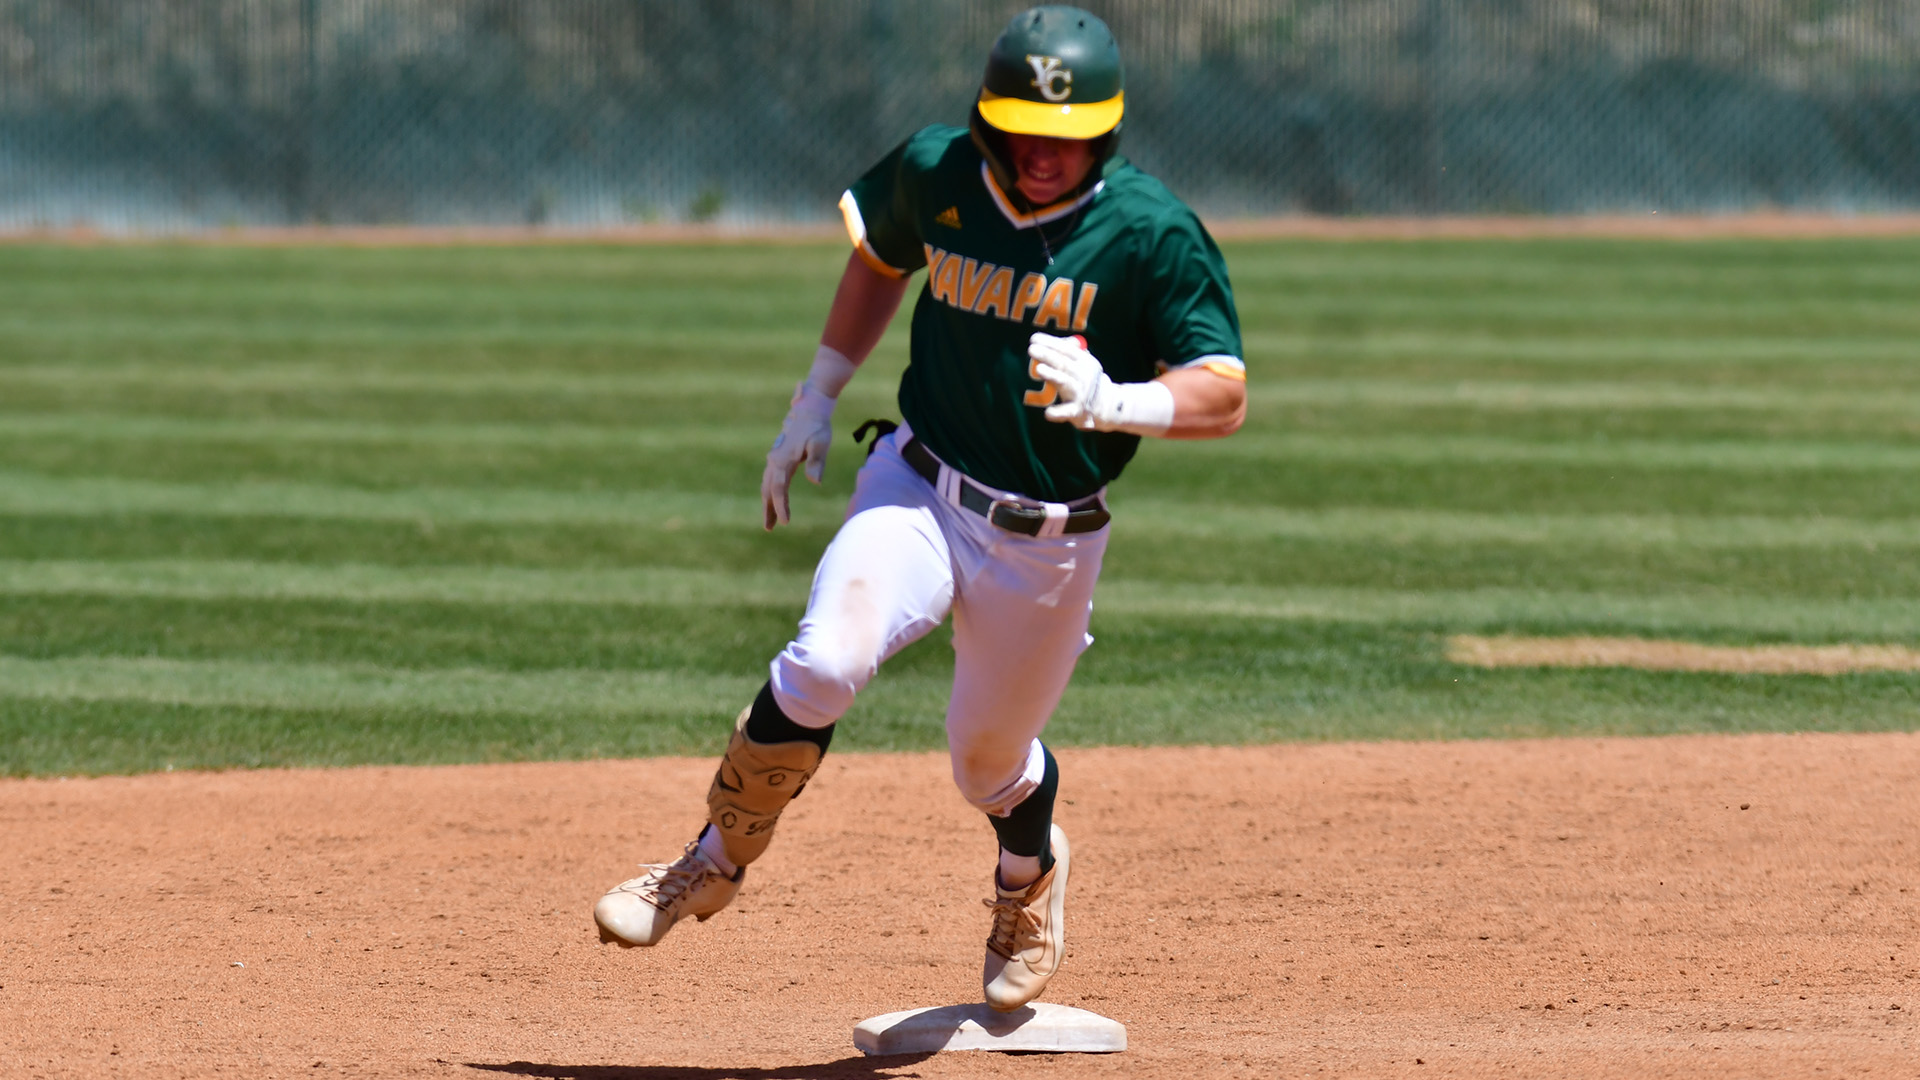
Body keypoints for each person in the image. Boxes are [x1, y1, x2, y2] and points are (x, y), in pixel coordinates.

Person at [593, 4, 1245, 1013]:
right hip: (919, 484)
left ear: (1106, 131)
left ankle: (1027, 883)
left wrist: (1123, 402)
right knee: (824, 658)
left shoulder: (1151, 232)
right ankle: (712, 859)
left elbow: (1222, 388)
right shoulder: (938, 173)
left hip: (1050, 538)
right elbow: (879, 259)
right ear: (988, 116)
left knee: (988, 765)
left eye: (1066, 137)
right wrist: (815, 395)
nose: (1041, 152)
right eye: (1023, 126)